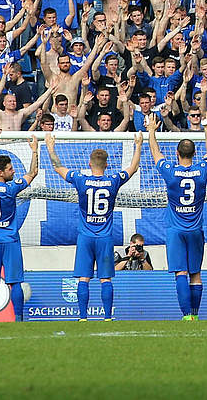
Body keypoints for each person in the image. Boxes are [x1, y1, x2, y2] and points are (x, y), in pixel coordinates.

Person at [47, 133, 141, 321]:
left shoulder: (80, 179)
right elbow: (133, 167)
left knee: (84, 278)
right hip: (105, 237)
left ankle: (83, 317)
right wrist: (138, 145)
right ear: (106, 165)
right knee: (105, 279)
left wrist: (50, 146)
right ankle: (107, 317)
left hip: (85, 236)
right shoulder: (114, 180)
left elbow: (57, 167)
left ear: (90, 164)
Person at [147, 115, 207, 321]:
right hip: (196, 230)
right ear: (195, 154)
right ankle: (195, 314)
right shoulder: (202, 170)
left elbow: (155, 152)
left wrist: (151, 130)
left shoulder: (171, 172)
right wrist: (206, 128)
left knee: (181, 273)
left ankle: (187, 316)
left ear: (177, 154)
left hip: (176, 231)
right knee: (196, 274)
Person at [0, 131, 39, 323]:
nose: (13, 171)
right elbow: (33, 173)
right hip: (10, 241)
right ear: (1, 172)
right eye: (10, 169)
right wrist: (34, 151)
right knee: (16, 282)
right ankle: (18, 320)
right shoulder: (11, 189)